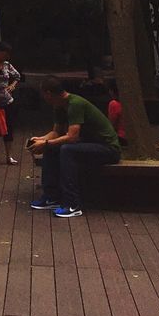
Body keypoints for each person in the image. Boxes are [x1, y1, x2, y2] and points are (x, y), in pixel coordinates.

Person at [29, 76, 121, 217]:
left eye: (43, 94)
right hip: (88, 144)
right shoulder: (59, 106)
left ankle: (73, 203)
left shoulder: (75, 104)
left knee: (67, 150)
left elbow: (72, 137)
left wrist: (46, 143)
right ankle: (51, 197)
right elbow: (56, 132)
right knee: (53, 148)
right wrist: (40, 140)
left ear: (48, 93)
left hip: (107, 148)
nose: (43, 98)